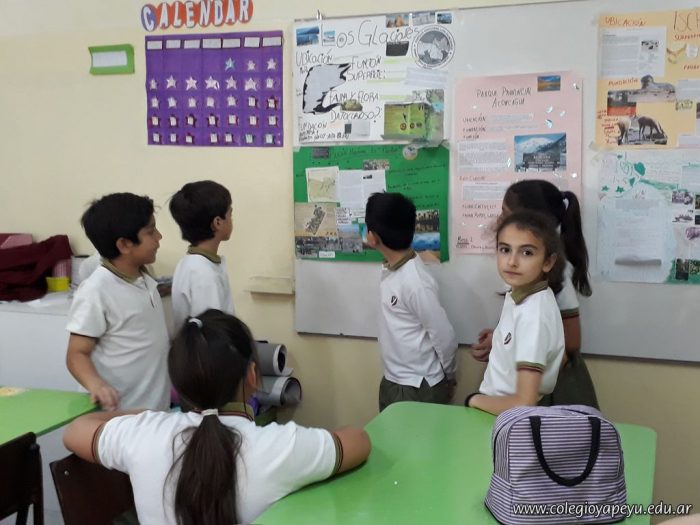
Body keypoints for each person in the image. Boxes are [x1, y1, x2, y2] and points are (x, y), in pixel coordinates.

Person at [63, 310, 371, 525]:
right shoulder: (276, 446)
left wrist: (146, 415)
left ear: (179, 382)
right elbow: (358, 441)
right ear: (253, 375)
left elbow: (76, 431)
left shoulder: (144, 434)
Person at [471, 179, 599, 408]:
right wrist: (502, 339)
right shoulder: (523, 281)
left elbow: (571, 341)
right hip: (526, 381)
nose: (500, 220)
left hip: (549, 388)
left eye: (505, 213)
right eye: (505, 250)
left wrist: (525, 347)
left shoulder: (553, 279)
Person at [66, 193, 170, 411]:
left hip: (153, 411)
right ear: (124, 244)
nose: (159, 237)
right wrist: (97, 385)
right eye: (151, 231)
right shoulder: (96, 290)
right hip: (119, 415)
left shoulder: (145, 278)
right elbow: (76, 354)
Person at [465, 211, 565, 415]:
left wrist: (472, 400)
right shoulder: (522, 293)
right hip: (500, 409)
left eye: (527, 252)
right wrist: (499, 340)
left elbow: (524, 403)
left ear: (548, 262)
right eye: (505, 249)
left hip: (505, 416)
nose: (512, 261)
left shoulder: (533, 314)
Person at [365, 192, 458, 412]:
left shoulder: (415, 282)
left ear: (372, 237)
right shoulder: (390, 269)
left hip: (418, 385)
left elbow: (443, 335)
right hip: (394, 379)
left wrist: (449, 375)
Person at [169, 180, 235, 333]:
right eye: (230, 214)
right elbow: (212, 332)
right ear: (217, 222)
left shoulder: (193, 263)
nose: (232, 219)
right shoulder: (203, 273)